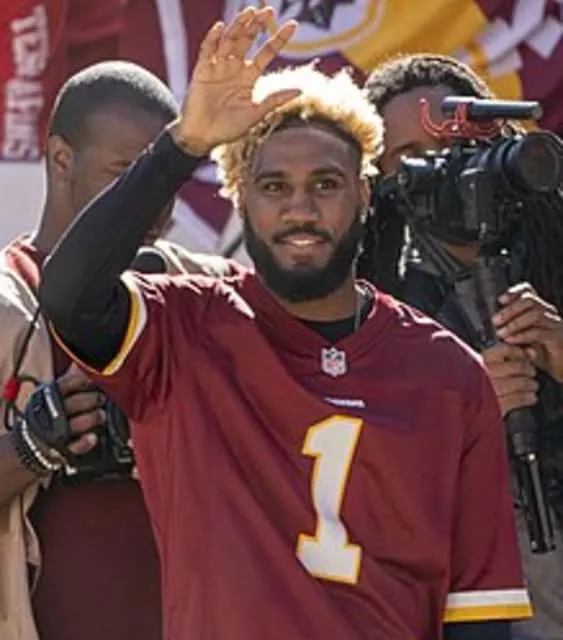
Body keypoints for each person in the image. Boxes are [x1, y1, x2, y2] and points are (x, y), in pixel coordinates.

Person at [38, 7, 532, 640]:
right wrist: (183, 144)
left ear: (364, 193)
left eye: (325, 184)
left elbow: (478, 616)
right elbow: (68, 298)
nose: (300, 208)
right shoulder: (181, 327)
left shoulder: (449, 372)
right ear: (240, 199)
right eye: (273, 186)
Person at [0, 60, 237, 640]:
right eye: (128, 173)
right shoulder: (7, 303)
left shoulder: (199, 290)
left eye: (165, 178)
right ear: (62, 158)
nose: (152, 201)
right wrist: (33, 444)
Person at [363, 53, 563, 640]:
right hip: (443, 575)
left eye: (459, 145)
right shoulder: (368, 280)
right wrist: (464, 407)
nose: (447, 168)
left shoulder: (553, 230)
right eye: (412, 156)